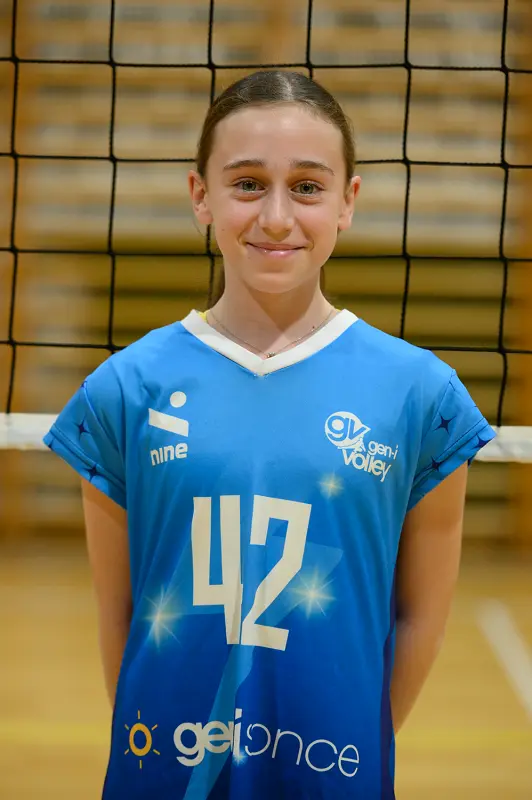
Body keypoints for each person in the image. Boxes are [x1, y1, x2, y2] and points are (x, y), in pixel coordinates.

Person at [43, 70, 496, 799]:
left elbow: (419, 619)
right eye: (248, 184)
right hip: (167, 772)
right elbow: (120, 619)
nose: (277, 217)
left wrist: (348, 750)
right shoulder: (124, 389)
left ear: (348, 202)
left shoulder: (421, 394)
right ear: (201, 196)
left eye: (307, 187)